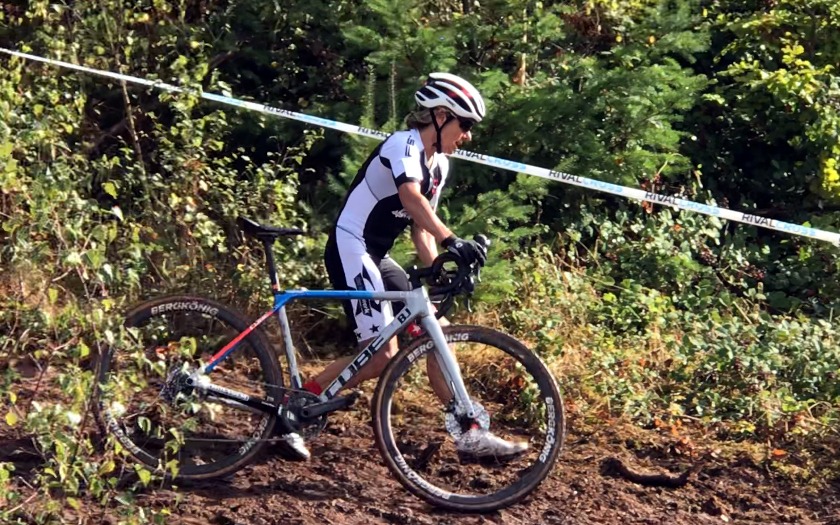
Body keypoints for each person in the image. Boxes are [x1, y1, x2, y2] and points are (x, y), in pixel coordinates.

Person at [279, 73, 528, 461]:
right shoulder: (403, 144)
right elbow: (411, 199)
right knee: (379, 355)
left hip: (377, 254)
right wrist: (453, 241)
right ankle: (295, 409)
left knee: (436, 333)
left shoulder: (439, 165)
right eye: (465, 126)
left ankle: (470, 433)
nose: (468, 137)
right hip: (351, 245)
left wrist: (444, 270)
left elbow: (420, 232)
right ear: (442, 116)